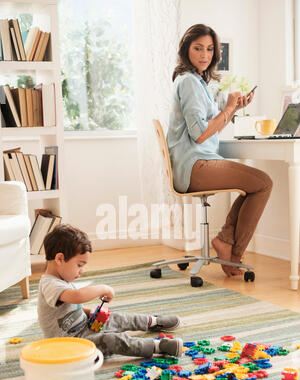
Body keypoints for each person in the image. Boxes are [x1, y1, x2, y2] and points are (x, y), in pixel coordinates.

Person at [167, 24, 273, 277]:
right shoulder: (190, 83)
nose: (205, 54)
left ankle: (226, 241)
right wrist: (228, 109)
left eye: (210, 49)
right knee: (264, 183)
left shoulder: (198, 82)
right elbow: (201, 133)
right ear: (186, 50)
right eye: (198, 48)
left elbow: (209, 127)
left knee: (254, 185)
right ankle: (233, 254)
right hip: (195, 166)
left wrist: (233, 108)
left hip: (194, 164)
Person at [37, 224, 183, 358]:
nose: (81, 271)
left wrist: (88, 312)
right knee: (112, 340)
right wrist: (104, 288)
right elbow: (77, 296)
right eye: (79, 265)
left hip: (85, 326)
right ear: (60, 259)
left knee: (117, 318)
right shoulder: (49, 284)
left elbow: (70, 308)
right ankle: (157, 347)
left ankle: (153, 322)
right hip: (72, 344)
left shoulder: (63, 281)